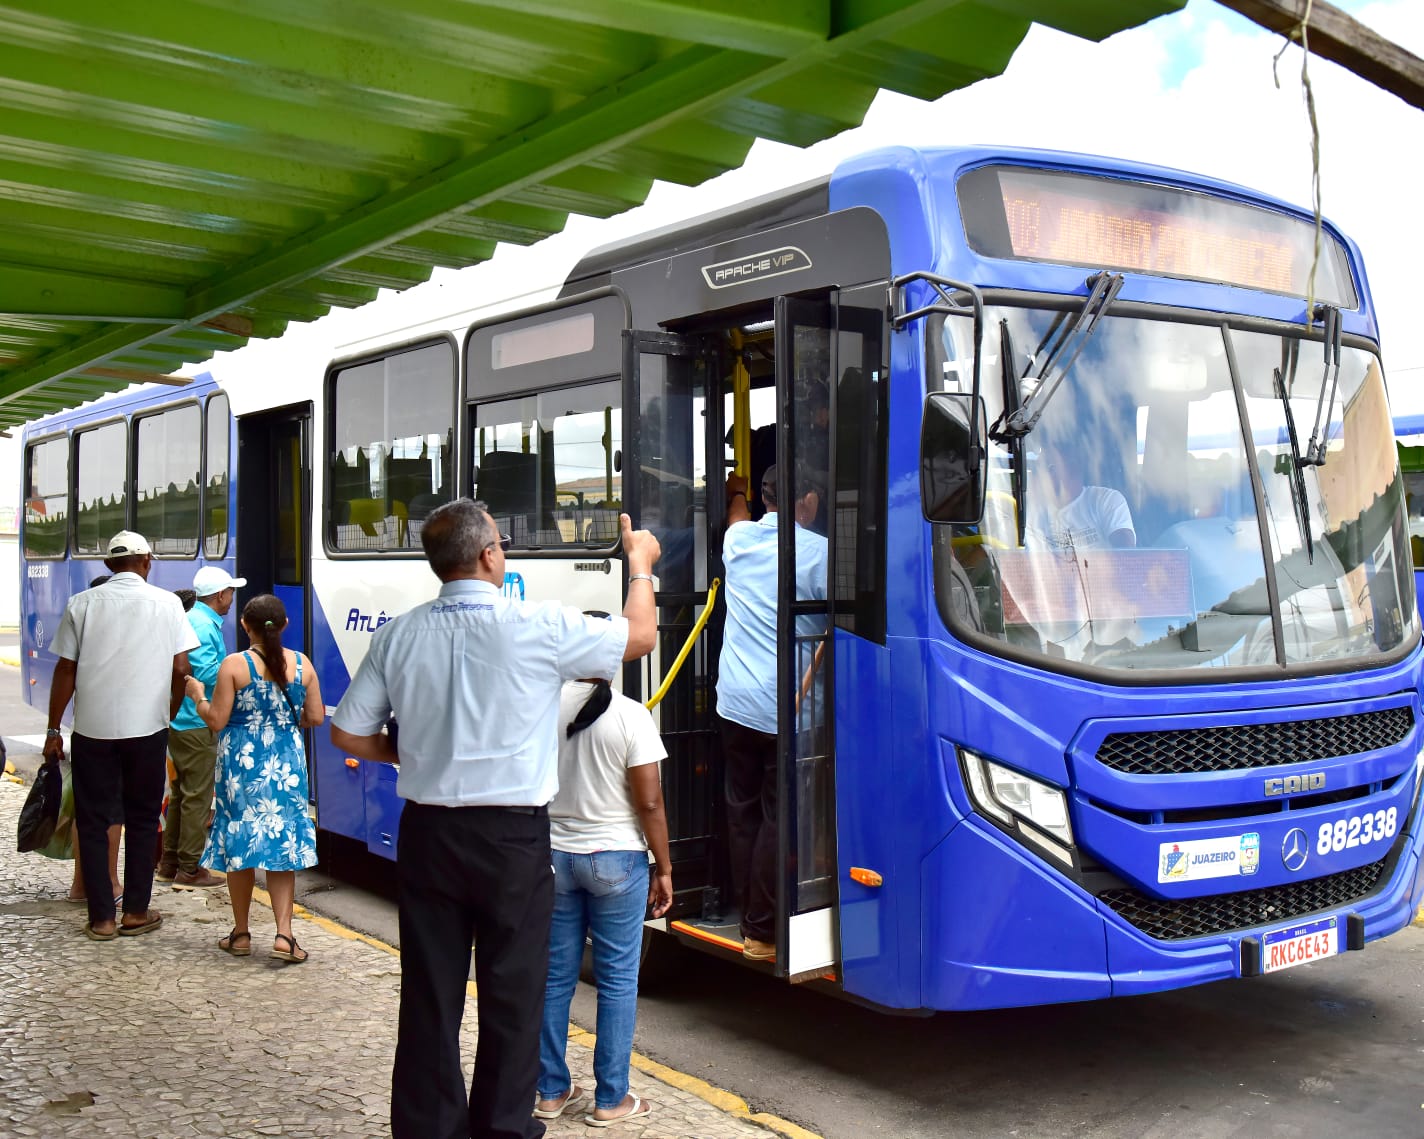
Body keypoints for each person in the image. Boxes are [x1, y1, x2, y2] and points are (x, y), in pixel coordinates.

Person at [329, 499, 661, 1139]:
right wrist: (639, 564)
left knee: (431, 994)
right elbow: (639, 636)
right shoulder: (536, 625)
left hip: (428, 835)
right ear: (487, 556)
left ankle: (428, 1128)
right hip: (513, 839)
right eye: (502, 543)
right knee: (512, 993)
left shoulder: (398, 633)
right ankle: (504, 1129)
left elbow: (347, 733)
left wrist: (407, 753)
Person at [43, 531, 198, 940]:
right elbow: (182, 668)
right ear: (147, 561)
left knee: (93, 820)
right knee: (144, 818)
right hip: (147, 728)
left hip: (93, 731)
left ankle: (101, 919)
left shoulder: (82, 604)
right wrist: (168, 712)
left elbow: (65, 670)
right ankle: (134, 913)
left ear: (110, 566)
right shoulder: (168, 604)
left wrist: (53, 729)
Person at [535, 673, 672, 1128]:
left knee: (555, 978)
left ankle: (550, 1092)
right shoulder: (632, 715)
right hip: (616, 860)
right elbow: (649, 803)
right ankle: (611, 1098)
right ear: (610, 664)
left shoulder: (543, 706)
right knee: (616, 982)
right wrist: (665, 867)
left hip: (556, 858)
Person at [718, 464, 827, 961]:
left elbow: (735, 515)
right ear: (806, 501)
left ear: (765, 500)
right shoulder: (820, 554)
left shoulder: (738, 541)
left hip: (734, 701)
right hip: (788, 708)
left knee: (742, 813)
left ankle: (748, 916)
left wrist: (735, 489)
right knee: (777, 817)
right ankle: (761, 930)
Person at [185, 593, 322, 963]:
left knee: (240, 841)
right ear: (284, 626)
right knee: (281, 847)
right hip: (286, 764)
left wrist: (197, 696)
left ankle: (242, 933)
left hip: (240, 766)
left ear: (245, 626)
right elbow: (316, 717)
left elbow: (215, 720)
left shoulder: (234, 665)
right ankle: (284, 935)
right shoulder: (301, 663)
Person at [162, 565, 245, 890]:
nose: (231, 599)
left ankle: (170, 862)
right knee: (196, 797)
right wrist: (237, 670)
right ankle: (189, 867)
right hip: (196, 720)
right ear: (221, 595)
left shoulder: (194, 619)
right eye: (230, 593)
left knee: (182, 794)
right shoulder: (203, 625)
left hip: (181, 720)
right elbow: (206, 673)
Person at [1028, 436, 1135, 551]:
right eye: (1037, 468)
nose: (1038, 473)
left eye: (1047, 466)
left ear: (1074, 468)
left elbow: (1126, 555)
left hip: (1097, 569)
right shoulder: (1033, 513)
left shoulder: (1107, 500)